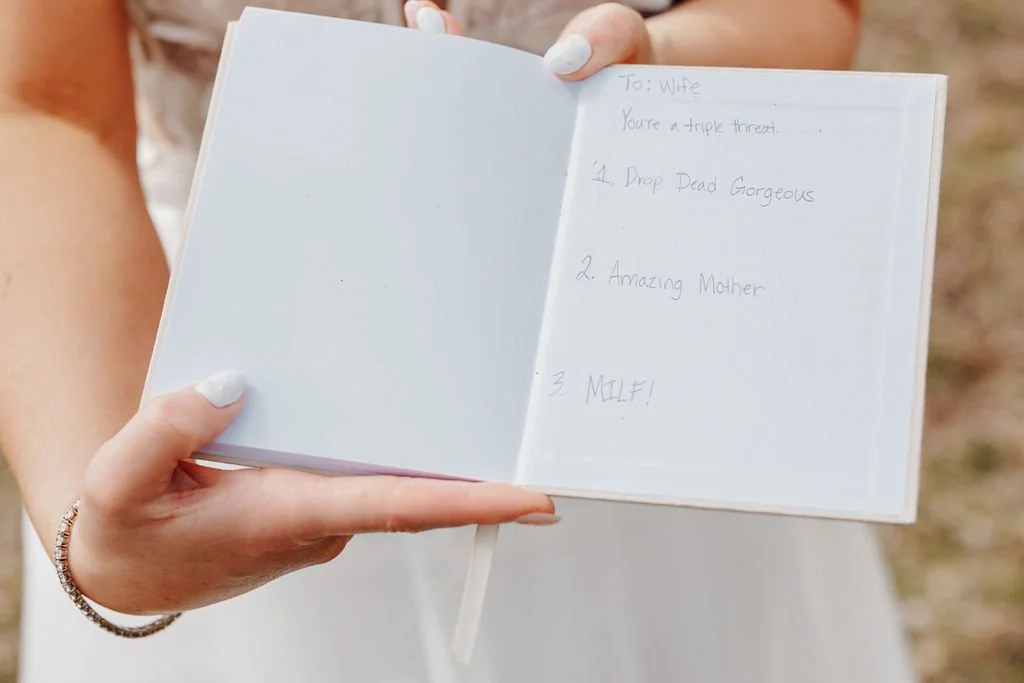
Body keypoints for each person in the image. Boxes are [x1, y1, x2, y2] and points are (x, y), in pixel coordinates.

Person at [0, 1, 917, 681]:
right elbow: (42, 104)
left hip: (636, 313)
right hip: (220, 354)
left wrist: (665, 65)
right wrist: (107, 530)